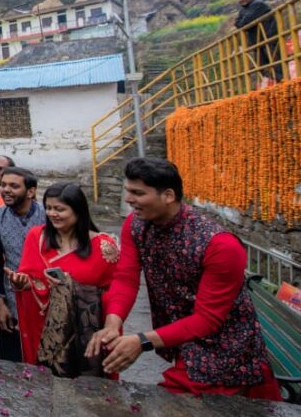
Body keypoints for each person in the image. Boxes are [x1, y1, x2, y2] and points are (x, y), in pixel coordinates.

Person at [86, 158, 280, 400]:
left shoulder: (220, 245)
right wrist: (112, 325)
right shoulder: (135, 226)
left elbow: (208, 319)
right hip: (185, 343)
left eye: (138, 193)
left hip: (229, 353)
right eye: (128, 191)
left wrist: (143, 341)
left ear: (168, 195)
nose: (128, 199)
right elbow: (126, 279)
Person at [7, 183, 118, 376]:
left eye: (59, 209)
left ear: (78, 210)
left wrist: (72, 289)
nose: (52, 213)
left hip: (84, 331)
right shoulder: (37, 237)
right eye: (48, 208)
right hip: (44, 329)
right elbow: (30, 277)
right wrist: (23, 283)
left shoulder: (103, 246)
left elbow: (114, 293)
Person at [0, 165, 46, 362]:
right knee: (12, 362)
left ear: (30, 191)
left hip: (45, 297)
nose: (6, 190)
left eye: (14, 186)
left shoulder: (47, 216)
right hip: (12, 299)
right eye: (3, 185)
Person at [234, 0, 282, 82]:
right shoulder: (243, 10)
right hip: (258, 42)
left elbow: (246, 21)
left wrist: (243, 22)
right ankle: (274, 85)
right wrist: (243, 22)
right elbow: (237, 23)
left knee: (276, 63)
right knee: (262, 67)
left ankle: (283, 83)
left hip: (269, 38)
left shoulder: (258, 5)